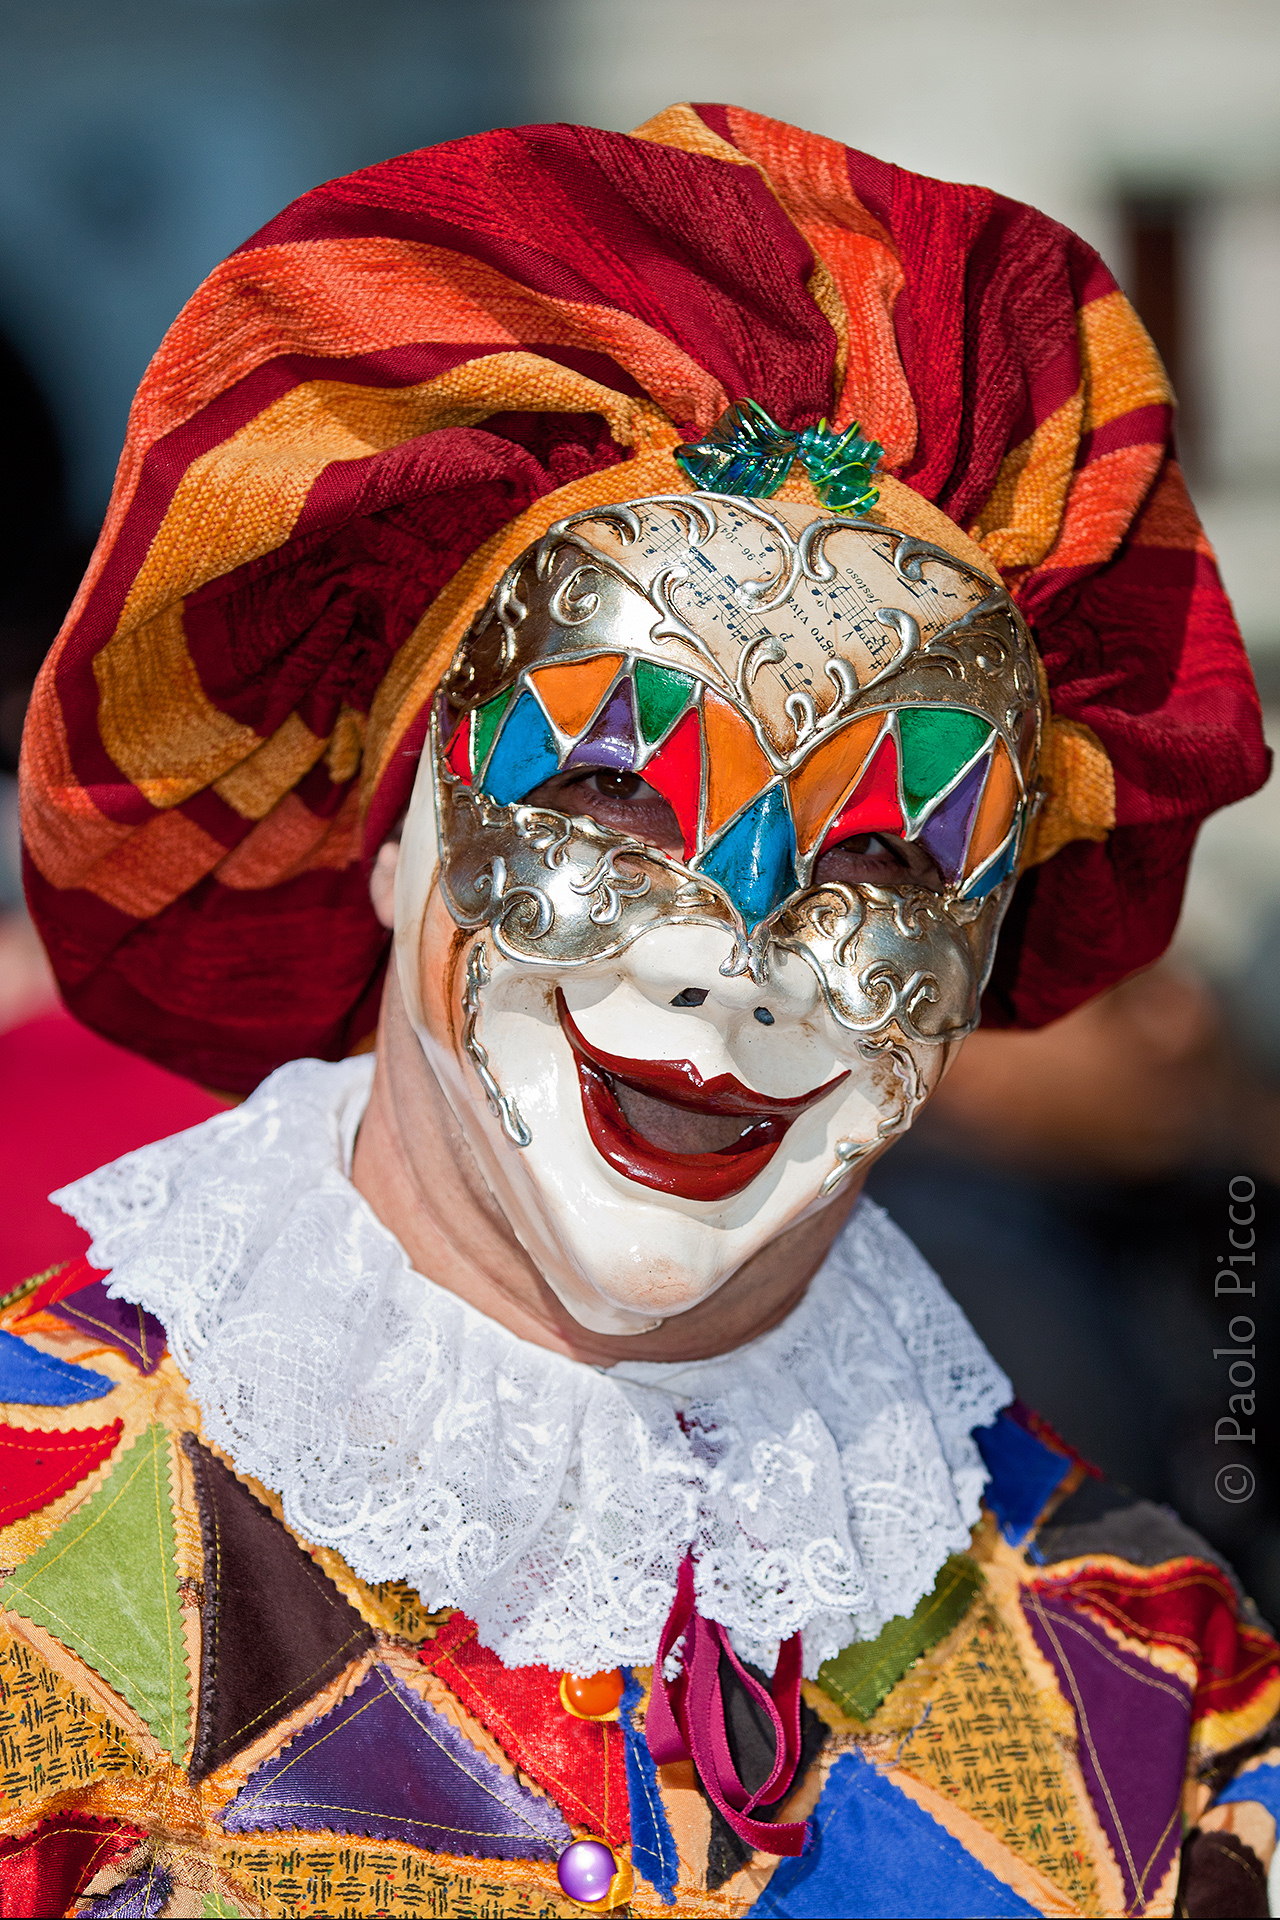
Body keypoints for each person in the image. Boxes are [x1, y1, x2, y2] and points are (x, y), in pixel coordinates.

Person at [3, 104, 1276, 1920]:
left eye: (889, 856)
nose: (729, 957)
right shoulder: (25, 1539)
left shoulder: (1152, 1692)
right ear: (394, 833)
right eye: (607, 792)